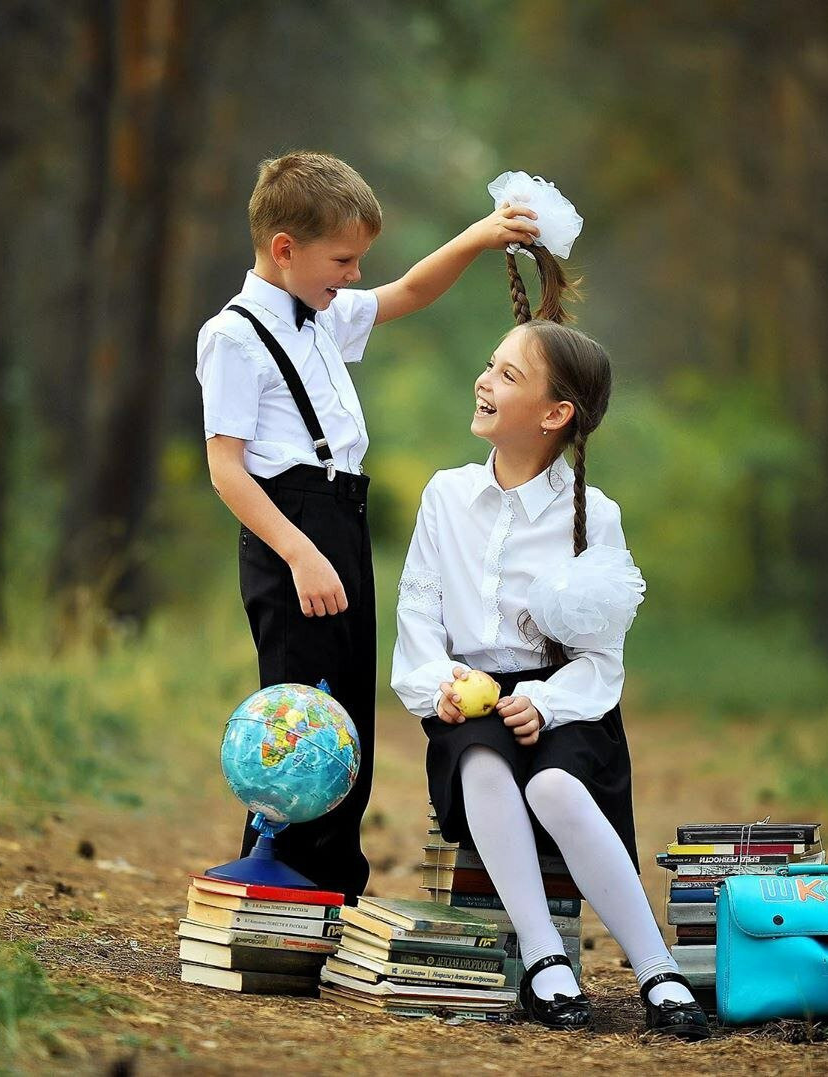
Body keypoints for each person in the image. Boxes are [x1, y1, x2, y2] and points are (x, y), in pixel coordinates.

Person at [197, 151, 540, 904]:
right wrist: (297, 552)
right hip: (292, 529)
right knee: (299, 712)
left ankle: (332, 881)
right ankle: (284, 875)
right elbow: (227, 469)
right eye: (343, 259)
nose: (353, 275)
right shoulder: (235, 336)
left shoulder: (319, 311)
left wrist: (481, 235)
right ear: (285, 249)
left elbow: (410, 290)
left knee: (346, 706)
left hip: (339, 519)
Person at [390, 240, 712, 1038]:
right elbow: (418, 612)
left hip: (565, 703)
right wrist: (436, 683)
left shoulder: (593, 517)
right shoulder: (446, 497)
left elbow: (602, 661)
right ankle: (544, 958)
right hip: (466, 704)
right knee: (487, 764)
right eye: (489, 364)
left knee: (557, 787)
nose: (484, 380)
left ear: (555, 412)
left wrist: (541, 698)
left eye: (506, 374)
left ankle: (657, 969)